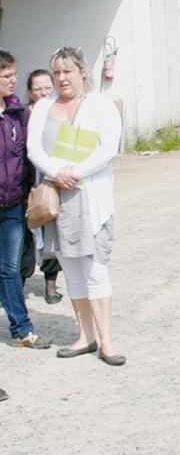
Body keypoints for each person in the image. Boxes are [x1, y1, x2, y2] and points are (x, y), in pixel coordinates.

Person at [27, 47, 125, 366]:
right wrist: (57, 173)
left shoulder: (100, 104)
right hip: (57, 199)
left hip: (90, 197)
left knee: (96, 270)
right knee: (72, 271)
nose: (61, 78)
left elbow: (109, 147)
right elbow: (33, 149)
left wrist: (76, 173)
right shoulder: (43, 106)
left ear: (82, 71)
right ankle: (85, 336)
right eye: (56, 72)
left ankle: (107, 342)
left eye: (67, 71)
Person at [0, 49, 52, 349]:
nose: (13, 80)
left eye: (14, 75)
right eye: (7, 76)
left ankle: (22, 328)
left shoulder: (19, 114)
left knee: (10, 269)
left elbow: (32, 155)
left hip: (13, 205)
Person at [20, 69, 64, 303]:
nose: (45, 92)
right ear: (30, 92)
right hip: (23, 185)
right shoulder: (21, 116)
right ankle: (18, 286)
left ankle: (50, 286)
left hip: (50, 183)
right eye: (38, 89)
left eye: (48, 87)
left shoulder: (59, 114)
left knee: (51, 233)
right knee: (24, 238)